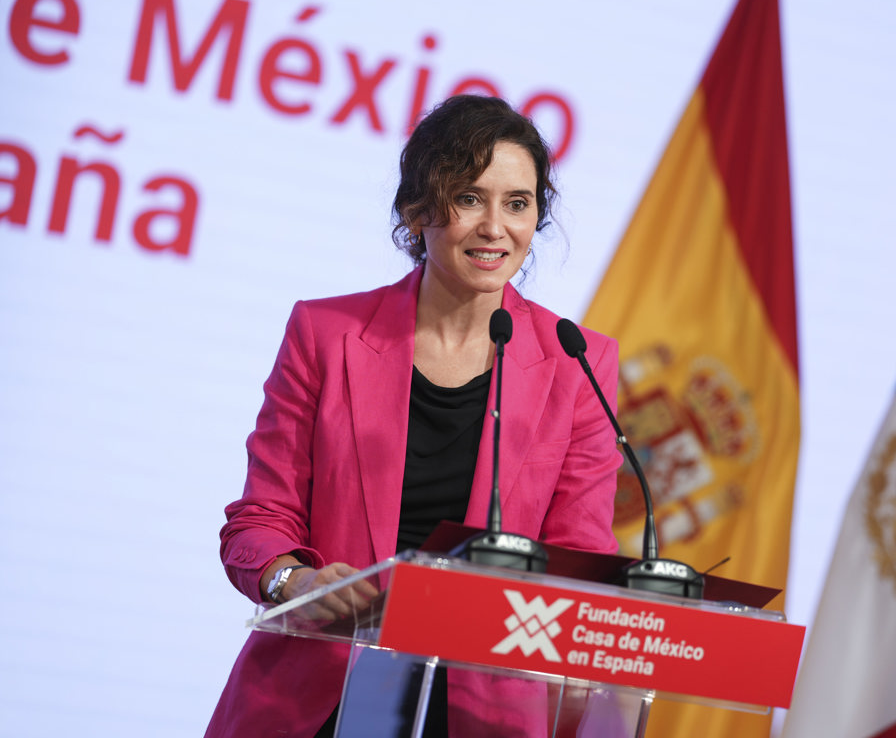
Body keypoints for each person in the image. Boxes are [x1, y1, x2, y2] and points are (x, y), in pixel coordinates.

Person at [204, 95, 623, 737]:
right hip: (319, 697)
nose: (495, 227)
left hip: (486, 713)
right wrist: (298, 582)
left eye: (518, 203)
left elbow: (578, 558)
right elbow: (260, 520)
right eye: (468, 199)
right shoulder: (326, 334)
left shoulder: (579, 362)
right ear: (418, 209)